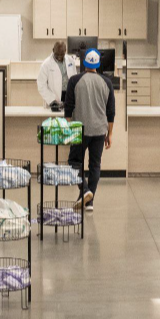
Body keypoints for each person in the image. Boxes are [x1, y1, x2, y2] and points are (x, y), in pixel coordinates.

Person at [64, 49, 114, 212]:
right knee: (95, 165)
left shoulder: (74, 81)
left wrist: (69, 130)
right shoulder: (107, 83)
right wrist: (110, 134)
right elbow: (111, 112)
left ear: (84, 62)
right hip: (99, 130)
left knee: (74, 162)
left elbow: (68, 108)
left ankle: (85, 190)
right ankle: (89, 202)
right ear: (98, 64)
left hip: (79, 130)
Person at [37, 41, 79, 109]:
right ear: (53, 50)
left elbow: (74, 79)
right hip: (53, 97)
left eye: (61, 54)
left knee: (69, 115)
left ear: (65, 51)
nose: (59, 56)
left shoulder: (70, 61)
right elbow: (41, 85)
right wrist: (51, 100)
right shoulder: (46, 64)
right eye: (57, 54)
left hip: (68, 96)